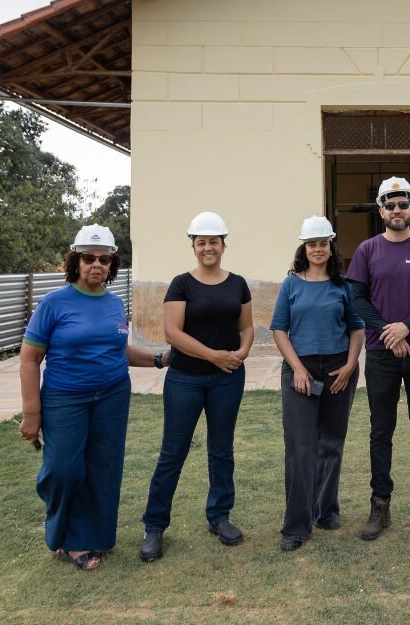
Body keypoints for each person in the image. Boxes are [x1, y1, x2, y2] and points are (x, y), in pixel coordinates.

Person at [19, 224, 163, 571]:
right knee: (63, 469)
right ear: (75, 261)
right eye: (88, 258)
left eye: (104, 259)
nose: (96, 265)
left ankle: (84, 540)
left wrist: (160, 358)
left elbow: (120, 351)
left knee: (103, 469)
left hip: (112, 396)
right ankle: (60, 528)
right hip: (65, 397)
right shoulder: (54, 304)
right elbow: (29, 358)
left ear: (112, 263)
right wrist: (31, 412)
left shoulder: (114, 304)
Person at [140, 211, 255, 561]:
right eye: (201, 242)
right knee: (173, 452)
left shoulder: (237, 283)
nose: (208, 247)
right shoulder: (181, 284)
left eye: (214, 242)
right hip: (185, 379)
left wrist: (241, 353)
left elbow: (247, 327)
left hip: (227, 380)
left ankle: (219, 517)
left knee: (222, 450)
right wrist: (214, 356)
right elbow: (172, 333)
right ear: (193, 246)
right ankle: (154, 526)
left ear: (223, 245)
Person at [346, 176, 410, 539]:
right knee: (381, 429)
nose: (397, 210)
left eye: (403, 204)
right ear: (380, 211)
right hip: (380, 353)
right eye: (390, 205)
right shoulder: (367, 250)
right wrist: (388, 332)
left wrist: (406, 327)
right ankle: (380, 504)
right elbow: (358, 299)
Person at [270, 216, 365, 551]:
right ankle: (296, 526)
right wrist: (297, 368)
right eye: (312, 244)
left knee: (331, 443)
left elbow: (357, 328)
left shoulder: (344, 287)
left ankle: (326, 510)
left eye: (323, 243)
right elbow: (279, 329)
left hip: (339, 367)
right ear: (304, 248)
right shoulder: (291, 285)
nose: (318, 249)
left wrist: (351, 365)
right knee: (301, 448)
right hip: (302, 368)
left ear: (330, 246)